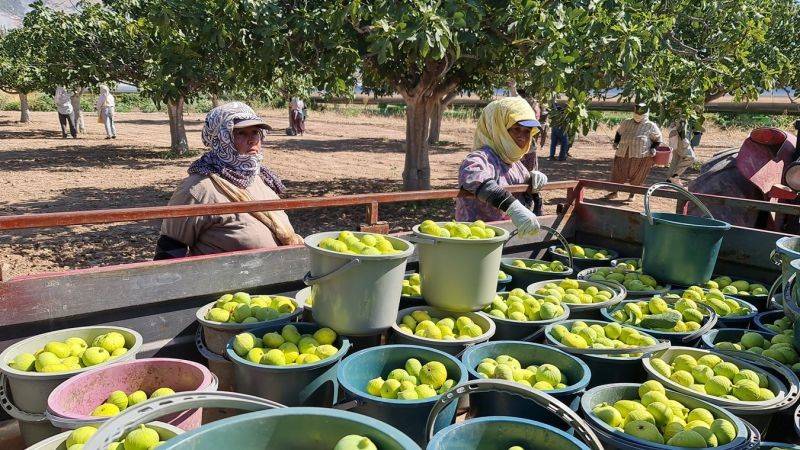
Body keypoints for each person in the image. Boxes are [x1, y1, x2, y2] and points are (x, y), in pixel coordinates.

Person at [154, 103, 303, 259]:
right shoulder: (198, 189)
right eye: (241, 133)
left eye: (255, 132)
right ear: (222, 138)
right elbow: (168, 253)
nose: (252, 140)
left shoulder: (260, 178)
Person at [455, 97, 548, 236]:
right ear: (498, 128)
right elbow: (472, 176)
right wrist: (512, 207)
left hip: (509, 236)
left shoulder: (515, 163)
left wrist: (531, 180)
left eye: (527, 131)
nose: (522, 136)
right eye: (516, 129)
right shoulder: (482, 158)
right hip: (479, 239)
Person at [608, 103, 663, 200]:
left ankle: (632, 194)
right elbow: (619, 133)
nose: (637, 117)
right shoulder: (626, 122)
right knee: (618, 173)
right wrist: (616, 142)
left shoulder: (651, 125)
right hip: (623, 153)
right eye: (636, 114)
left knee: (638, 175)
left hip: (641, 155)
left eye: (640, 115)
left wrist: (653, 148)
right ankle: (614, 192)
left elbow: (658, 139)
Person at [666, 119, 697, 186]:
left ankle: (669, 179)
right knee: (691, 158)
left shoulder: (675, 113)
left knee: (676, 159)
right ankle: (674, 176)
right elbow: (681, 127)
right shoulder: (683, 113)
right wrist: (683, 139)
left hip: (675, 138)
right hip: (680, 140)